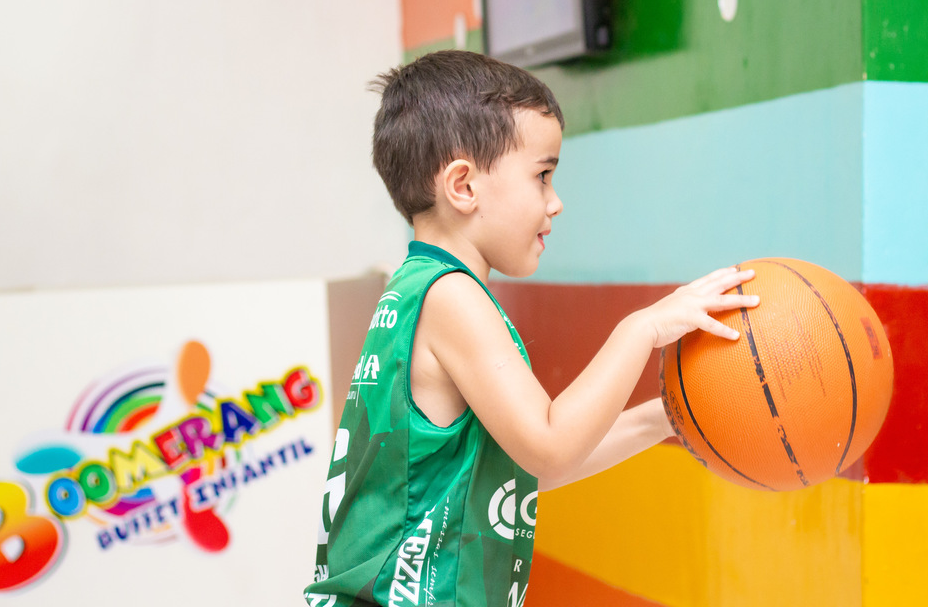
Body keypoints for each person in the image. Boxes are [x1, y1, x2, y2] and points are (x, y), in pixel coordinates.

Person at [304, 50, 756, 606]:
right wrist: (641, 328)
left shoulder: (419, 289)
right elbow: (549, 444)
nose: (556, 202)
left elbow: (517, 471)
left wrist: (666, 417)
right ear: (463, 186)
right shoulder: (452, 298)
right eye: (542, 175)